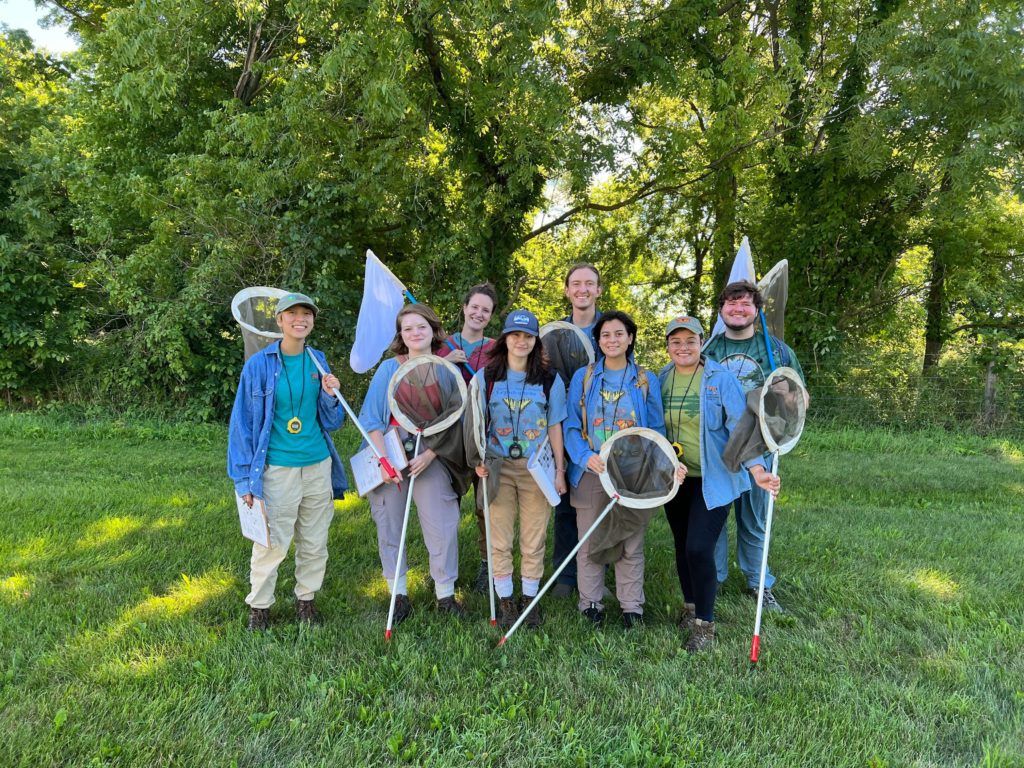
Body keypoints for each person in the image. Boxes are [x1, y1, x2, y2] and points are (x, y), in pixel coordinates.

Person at [659, 315, 781, 652]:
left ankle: (705, 625)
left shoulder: (720, 379)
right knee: (682, 546)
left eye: (690, 341)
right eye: (675, 341)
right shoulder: (662, 378)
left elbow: (741, 428)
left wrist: (756, 470)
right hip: (677, 479)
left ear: (702, 344)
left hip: (714, 479)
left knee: (699, 547)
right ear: (668, 345)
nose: (683, 347)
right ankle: (689, 607)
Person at [228, 292, 348, 631]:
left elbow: (332, 422)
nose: (300, 319)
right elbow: (242, 425)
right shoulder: (259, 365)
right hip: (277, 467)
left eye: (306, 314)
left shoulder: (318, 360)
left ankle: (306, 602)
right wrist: (243, 480)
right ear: (279, 321)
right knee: (271, 541)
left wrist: (330, 396)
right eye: (292, 313)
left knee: (314, 540)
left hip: (317, 465)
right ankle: (260, 607)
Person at [702, 280, 806, 613]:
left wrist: (784, 398)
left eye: (745, 304)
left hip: (760, 444)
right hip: (720, 446)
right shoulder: (710, 350)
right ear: (722, 310)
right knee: (715, 520)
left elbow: (800, 397)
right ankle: (712, 580)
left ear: (756, 310)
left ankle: (759, 583)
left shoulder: (776, 351)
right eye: (731, 304)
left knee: (755, 520)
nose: (738, 309)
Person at [359, 304, 466, 624]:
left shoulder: (446, 371)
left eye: (421, 327)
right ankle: (398, 593)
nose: (415, 333)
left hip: (429, 454)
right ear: (400, 335)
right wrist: (384, 461)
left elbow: (454, 419)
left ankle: (445, 594)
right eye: (407, 329)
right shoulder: (388, 370)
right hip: (390, 453)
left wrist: (430, 454)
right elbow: (371, 419)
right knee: (389, 522)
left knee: (442, 521)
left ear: (433, 331)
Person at [564, 310, 671, 629]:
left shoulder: (644, 378)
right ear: (598, 340)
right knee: (590, 541)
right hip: (592, 472)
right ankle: (591, 604)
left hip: (631, 475)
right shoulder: (583, 377)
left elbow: (656, 429)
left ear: (631, 338)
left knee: (630, 542)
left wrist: (652, 465)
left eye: (619, 334)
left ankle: (631, 608)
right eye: (606, 335)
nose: (612, 340)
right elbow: (571, 425)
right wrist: (585, 457)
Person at [473, 309, 568, 629]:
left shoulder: (549, 379)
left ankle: (529, 599)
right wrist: (478, 460)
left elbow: (555, 424)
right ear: (505, 339)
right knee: (499, 538)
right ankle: (505, 601)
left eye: (528, 336)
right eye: (515, 335)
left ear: (536, 341)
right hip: (498, 466)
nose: (521, 341)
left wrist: (559, 471)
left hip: (535, 468)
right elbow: (472, 425)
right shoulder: (486, 377)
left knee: (533, 538)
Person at [438, 283, 498, 593]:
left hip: (484, 437)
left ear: (490, 316)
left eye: (485, 310)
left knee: (485, 505)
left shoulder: (496, 348)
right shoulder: (444, 346)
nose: (478, 313)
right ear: (464, 308)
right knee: (445, 506)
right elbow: (428, 385)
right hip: (449, 439)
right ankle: (444, 570)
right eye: (474, 307)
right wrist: (447, 362)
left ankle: (488, 569)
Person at [551, 263, 604, 599]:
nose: (582, 289)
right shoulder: (554, 333)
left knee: (600, 503)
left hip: (602, 430)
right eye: (576, 284)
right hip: (563, 426)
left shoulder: (612, 328)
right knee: (565, 500)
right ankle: (565, 576)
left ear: (598, 290)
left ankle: (599, 575)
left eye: (589, 284)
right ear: (567, 291)